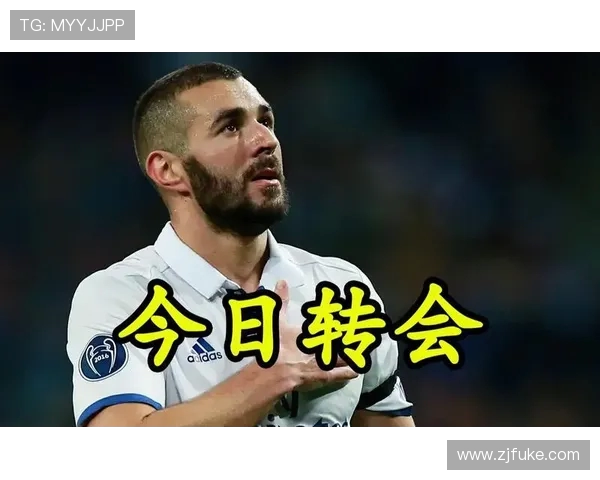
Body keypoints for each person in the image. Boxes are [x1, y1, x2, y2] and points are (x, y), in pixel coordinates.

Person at [66, 62, 415, 427]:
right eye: (230, 127)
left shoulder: (341, 289)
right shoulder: (121, 297)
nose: (266, 140)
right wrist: (270, 378)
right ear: (168, 170)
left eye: (265, 121)